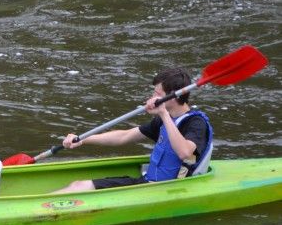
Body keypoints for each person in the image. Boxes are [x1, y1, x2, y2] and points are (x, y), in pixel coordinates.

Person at [52, 67, 213, 193]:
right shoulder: (166, 119)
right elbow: (125, 136)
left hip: (168, 189)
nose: (152, 97)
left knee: (80, 187)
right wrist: (83, 139)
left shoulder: (195, 123)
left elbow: (185, 152)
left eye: (157, 94)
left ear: (173, 96)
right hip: (149, 183)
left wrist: (163, 113)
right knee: (78, 185)